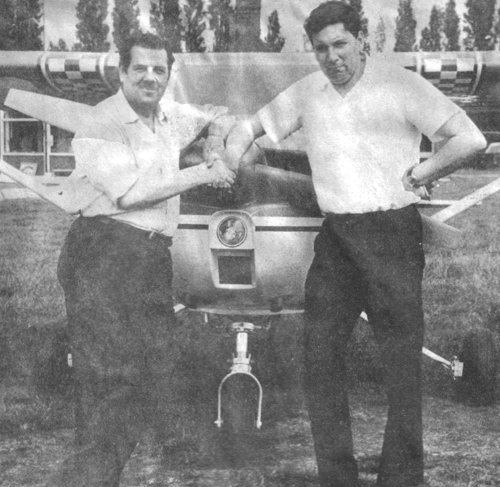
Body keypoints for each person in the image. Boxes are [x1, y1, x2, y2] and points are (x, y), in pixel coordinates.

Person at [224, 2, 486, 486]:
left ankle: (402, 478)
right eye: (321, 49)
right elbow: (248, 126)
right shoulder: (309, 92)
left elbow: (469, 139)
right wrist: (230, 155)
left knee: (401, 365)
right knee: (319, 357)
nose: (332, 57)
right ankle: (337, 477)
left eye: (340, 44)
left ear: (361, 39)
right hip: (337, 239)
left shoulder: (400, 84)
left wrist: (423, 172)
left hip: (393, 234)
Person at [48, 32, 235, 486]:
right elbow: (130, 194)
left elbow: (221, 114)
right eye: (140, 69)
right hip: (104, 252)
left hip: (150, 257)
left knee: (148, 375)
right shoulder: (100, 123)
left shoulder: (169, 116)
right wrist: (202, 171)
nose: (150, 77)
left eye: (159, 69)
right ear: (122, 72)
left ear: (169, 74)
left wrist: (213, 142)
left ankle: (96, 472)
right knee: (109, 382)